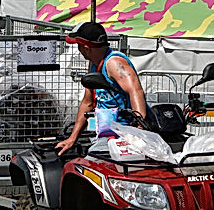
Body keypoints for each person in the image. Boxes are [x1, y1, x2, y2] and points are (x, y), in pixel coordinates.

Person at [56, 21, 147, 155]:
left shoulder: (114, 63)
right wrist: (72, 138)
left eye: (79, 46)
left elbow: (136, 91)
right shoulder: (94, 64)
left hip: (124, 133)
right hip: (107, 132)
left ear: (86, 48)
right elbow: (88, 102)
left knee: (93, 161)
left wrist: (139, 132)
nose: (79, 51)